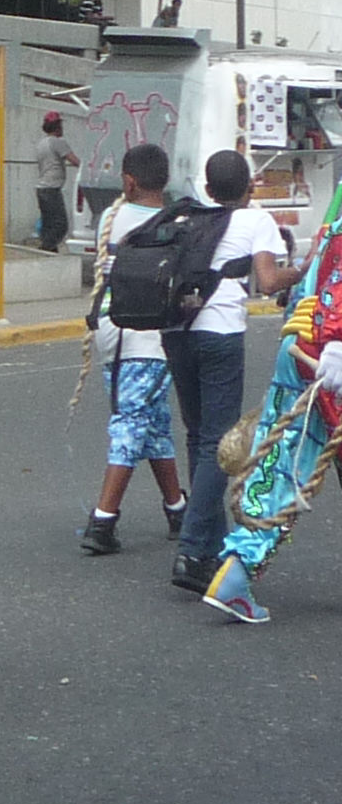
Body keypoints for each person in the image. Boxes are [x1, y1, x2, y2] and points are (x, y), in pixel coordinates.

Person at [162, 149, 299, 594]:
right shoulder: (254, 220)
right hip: (219, 333)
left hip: (177, 331)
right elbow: (269, 280)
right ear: (249, 187)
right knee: (218, 442)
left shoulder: (191, 217)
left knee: (198, 434)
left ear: (207, 187)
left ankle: (209, 543)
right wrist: (306, 266)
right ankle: (191, 548)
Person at [207, 190, 342, 623]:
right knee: (283, 466)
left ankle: (235, 574)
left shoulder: (336, 201)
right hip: (328, 353)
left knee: (280, 467)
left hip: (304, 343)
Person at [78, 144, 186, 555]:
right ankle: (103, 520)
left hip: (112, 331)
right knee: (133, 419)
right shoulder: (177, 222)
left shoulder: (111, 217)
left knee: (152, 420)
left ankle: (177, 507)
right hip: (153, 336)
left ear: (128, 181)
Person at [34, 112, 80, 252]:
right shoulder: (58, 142)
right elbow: (75, 161)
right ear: (57, 127)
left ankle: (48, 253)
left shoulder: (41, 143)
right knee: (61, 224)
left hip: (42, 189)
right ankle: (46, 248)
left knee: (48, 224)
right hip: (51, 189)